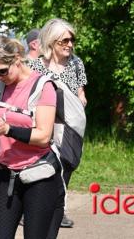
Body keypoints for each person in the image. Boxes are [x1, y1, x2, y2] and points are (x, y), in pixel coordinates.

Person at [0, 35, 64, 239]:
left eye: (1, 70)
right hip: (6, 174)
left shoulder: (43, 86)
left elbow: (44, 136)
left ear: (17, 59)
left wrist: (8, 129)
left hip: (39, 175)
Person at [27, 18, 87, 228]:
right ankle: (35, 211)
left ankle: (57, 210)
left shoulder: (76, 63)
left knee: (66, 167)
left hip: (70, 126)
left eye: (72, 40)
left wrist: (79, 102)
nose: (70, 45)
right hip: (43, 126)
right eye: (65, 41)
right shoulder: (35, 66)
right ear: (52, 42)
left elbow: (81, 92)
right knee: (43, 169)